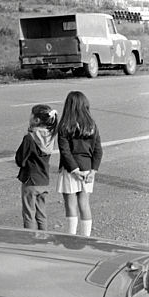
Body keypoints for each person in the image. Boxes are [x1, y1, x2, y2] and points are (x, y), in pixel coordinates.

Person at [56, 90, 103, 236]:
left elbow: (65, 151)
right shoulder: (92, 125)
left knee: (70, 205)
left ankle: (71, 236)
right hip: (88, 170)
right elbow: (98, 150)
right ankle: (86, 237)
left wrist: (74, 170)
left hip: (70, 170)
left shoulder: (64, 126)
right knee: (84, 204)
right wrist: (93, 171)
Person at [15, 104, 58, 230]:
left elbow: (20, 159)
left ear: (36, 120)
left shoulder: (30, 137)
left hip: (31, 180)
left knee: (29, 214)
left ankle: (30, 241)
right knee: (41, 214)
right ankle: (43, 239)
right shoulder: (50, 137)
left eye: (31, 115)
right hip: (44, 181)